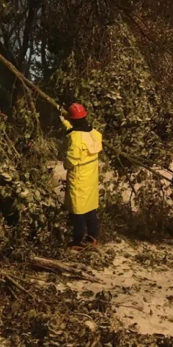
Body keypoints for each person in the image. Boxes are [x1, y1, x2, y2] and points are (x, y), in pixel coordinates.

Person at [62, 103, 103, 249]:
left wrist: (65, 164)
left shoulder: (76, 139)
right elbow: (74, 130)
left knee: (77, 210)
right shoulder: (94, 133)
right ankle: (93, 237)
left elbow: (71, 160)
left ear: (73, 120)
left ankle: (77, 241)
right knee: (90, 207)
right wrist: (64, 121)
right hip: (91, 177)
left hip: (78, 177)